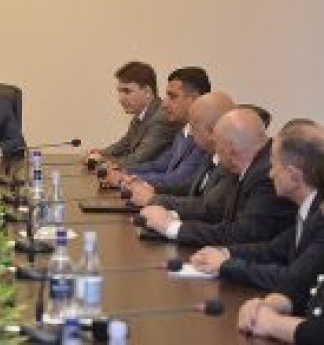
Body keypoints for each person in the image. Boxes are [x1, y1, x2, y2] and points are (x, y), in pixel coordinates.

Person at [190, 120, 324, 293]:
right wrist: (225, 252)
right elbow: (272, 250)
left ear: (294, 176)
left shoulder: (320, 218)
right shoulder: (310, 209)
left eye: (274, 166)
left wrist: (225, 265)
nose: (271, 174)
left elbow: (293, 279)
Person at [139, 108, 296, 246]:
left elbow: (244, 234)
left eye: (217, 145)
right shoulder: (248, 164)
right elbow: (218, 210)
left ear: (231, 151)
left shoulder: (266, 175)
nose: (215, 152)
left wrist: (172, 227)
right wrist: (170, 216)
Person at [125, 91, 236, 211]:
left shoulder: (231, 165)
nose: (191, 133)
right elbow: (188, 186)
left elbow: (209, 208)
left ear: (213, 130)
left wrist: (154, 199)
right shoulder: (211, 155)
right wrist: (148, 186)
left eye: (194, 127)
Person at [105, 67, 211, 189]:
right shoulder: (184, 131)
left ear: (195, 99)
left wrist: (125, 179)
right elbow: (159, 165)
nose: (164, 104)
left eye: (172, 96)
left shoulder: (204, 136)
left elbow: (179, 180)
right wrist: (123, 171)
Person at [86, 61, 181, 168]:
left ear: (148, 92)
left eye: (127, 91)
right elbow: (125, 144)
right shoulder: (141, 114)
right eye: (119, 91)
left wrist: (100, 160)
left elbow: (137, 160)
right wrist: (101, 153)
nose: (121, 98)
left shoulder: (161, 118)